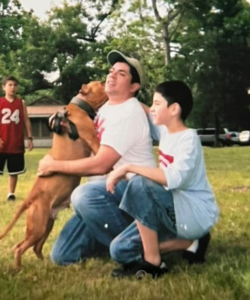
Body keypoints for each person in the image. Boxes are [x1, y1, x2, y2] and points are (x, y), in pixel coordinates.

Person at [37, 50, 156, 265]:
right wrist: (61, 119)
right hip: (108, 194)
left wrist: (54, 165)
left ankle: (137, 248)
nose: (111, 75)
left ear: (133, 87)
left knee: (83, 196)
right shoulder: (105, 108)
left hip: (134, 192)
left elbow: (101, 164)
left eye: (121, 74)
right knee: (62, 256)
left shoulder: (128, 112)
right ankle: (115, 238)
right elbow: (82, 126)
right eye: (111, 71)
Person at [106, 80, 219, 279]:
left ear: (174, 109)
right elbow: (140, 108)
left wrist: (128, 167)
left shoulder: (189, 140)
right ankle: (192, 243)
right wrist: (125, 93)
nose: (152, 109)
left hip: (193, 213)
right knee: (119, 250)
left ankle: (153, 263)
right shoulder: (165, 130)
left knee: (139, 182)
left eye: (157, 104)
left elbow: (173, 178)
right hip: (170, 208)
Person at [0, 75, 33, 201]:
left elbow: (26, 121)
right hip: (2, 142)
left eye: (15, 85)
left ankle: (11, 193)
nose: (13, 87)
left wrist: (30, 138)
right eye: (10, 85)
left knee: (14, 171)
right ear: (4, 87)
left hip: (15, 142)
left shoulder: (21, 102)